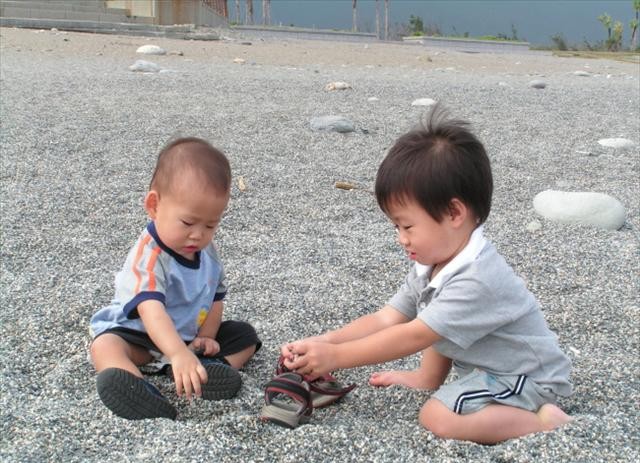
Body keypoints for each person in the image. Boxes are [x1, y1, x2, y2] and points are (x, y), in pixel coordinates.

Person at [281, 105, 573, 444]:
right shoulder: (435, 262)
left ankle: (542, 422)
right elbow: (386, 318)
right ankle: (428, 377)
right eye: (396, 227)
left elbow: (415, 335)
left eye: (407, 226)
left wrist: (336, 358)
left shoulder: (477, 278)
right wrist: (325, 342)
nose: (400, 238)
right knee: (433, 311)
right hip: (492, 369)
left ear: (454, 213)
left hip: (528, 379)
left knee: (436, 416)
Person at [90, 137, 260, 420]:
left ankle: (201, 369)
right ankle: (138, 388)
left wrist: (205, 338)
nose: (198, 235)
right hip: (141, 337)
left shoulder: (207, 252)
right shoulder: (150, 257)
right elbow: (151, 311)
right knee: (105, 346)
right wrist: (178, 353)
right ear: (154, 205)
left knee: (245, 336)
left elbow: (216, 297)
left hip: (187, 337)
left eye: (211, 225)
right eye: (188, 222)